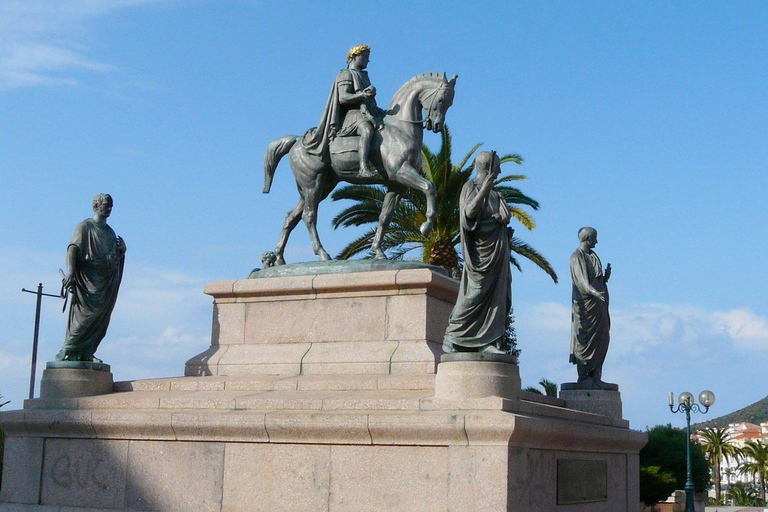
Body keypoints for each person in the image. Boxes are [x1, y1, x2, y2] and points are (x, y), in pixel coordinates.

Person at [443, 151, 512, 354]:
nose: (499, 171)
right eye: (497, 167)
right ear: (488, 168)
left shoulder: (498, 195)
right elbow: (469, 213)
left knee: (496, 299)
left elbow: (505, 216)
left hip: (498, 254)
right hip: (479, 255)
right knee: (474, 293)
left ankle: (488, 342)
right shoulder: (470, 187)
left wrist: (502, 218)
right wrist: (485, 188)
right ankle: (453, 336)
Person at [56, 194, 126, 363]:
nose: (109, 208)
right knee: (84, 317)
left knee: (101, 319)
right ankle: (68, 349)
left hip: (106, 281)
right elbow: (72, 250)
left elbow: (113, 257)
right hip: (88, 282)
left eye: (111, 206)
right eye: (106, 205)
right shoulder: (85, 227)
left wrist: (122, 251)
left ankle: (87, 352)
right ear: (96, 206)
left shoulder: (110, 232)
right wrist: (71, 272)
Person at [302, 44, 385, 178]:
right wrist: (363, 95)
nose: (367, 60)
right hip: (352, 116)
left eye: (367, 57)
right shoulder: (345, 74)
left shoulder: (364, 76)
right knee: (367, 130)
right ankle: (363, 167)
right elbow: (343, 97)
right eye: (365, 57)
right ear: (354, 57)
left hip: (366, 112)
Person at [569, 226, 611, 386]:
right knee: (584, 339)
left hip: (599, 307)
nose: (597, 241)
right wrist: (594, 292)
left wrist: (604, 279)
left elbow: (594, 277)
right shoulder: (576, 257)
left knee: (603, 338)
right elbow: (582, 282)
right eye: (595, 238)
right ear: (588, 238)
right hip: (585, 307)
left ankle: (596, 376)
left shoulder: (593, 256)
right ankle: (584, 376)